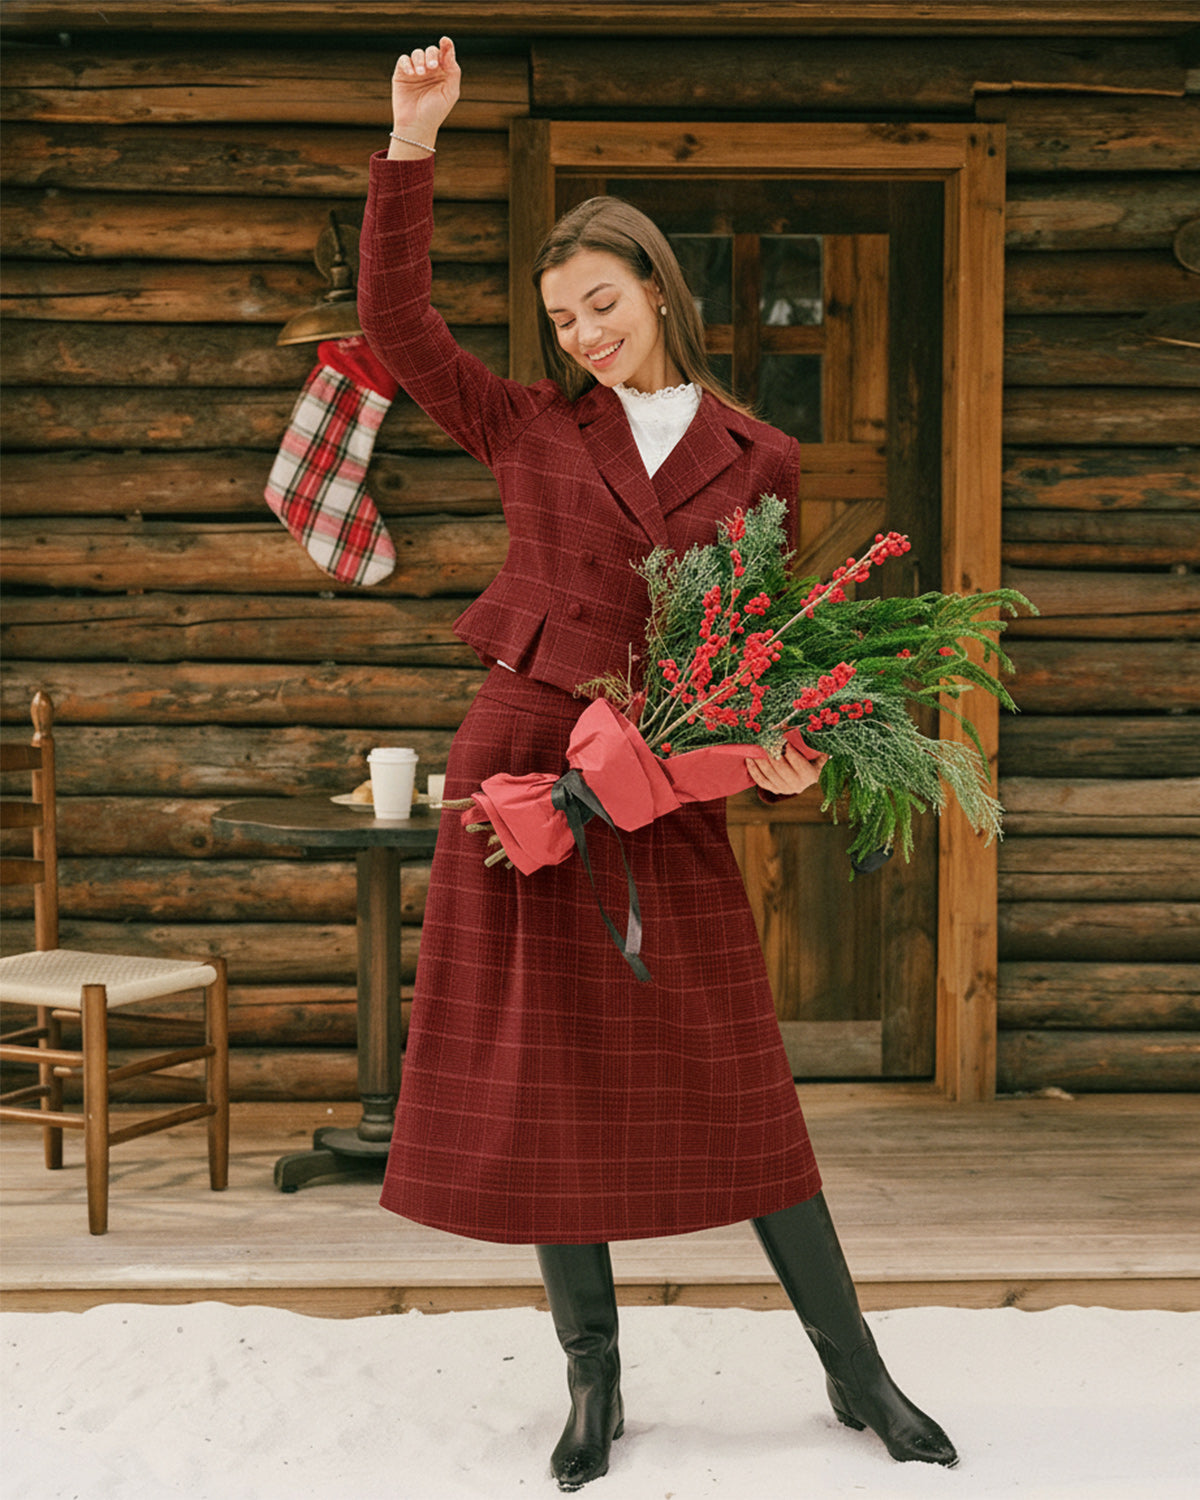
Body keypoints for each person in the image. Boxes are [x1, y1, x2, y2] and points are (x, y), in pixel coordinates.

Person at [359, 36, 957, 1493]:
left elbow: (762, 642)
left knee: (740, 1074)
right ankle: (593, 1378)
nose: (583, 334)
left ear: (657, 289)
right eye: (563, 317)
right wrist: (412, 140)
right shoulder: (521, 423)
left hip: (666, 781)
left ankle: (858, 1371)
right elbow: (395, 323)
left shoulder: (760, 455)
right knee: (552, 1078)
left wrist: (789, 752)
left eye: (603, 305)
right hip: (520, 764)